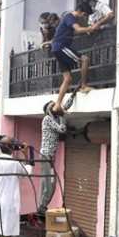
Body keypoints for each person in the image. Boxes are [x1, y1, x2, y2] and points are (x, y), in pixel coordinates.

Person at [37, 87, 77, 216]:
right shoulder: (47, 120)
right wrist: (62, 117)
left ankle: (42, 206)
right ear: (49, 110)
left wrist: (73, 95)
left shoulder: (54, 118)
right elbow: (62, 129)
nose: (57, 106)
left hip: (49, 157)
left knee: (49, 183)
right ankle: (42, 207)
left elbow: (64, 107)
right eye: (53, 106)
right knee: (49, 183)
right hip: (46, 156)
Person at [51, 2, 99, 96]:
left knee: (67, 79)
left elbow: (73, 32)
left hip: (57, 49)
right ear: (80, 11)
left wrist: (86, 30)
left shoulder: (68, 19)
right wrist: (90, 28)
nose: (83, 17)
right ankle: (84, 86)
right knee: (85, 59)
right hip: (61, 47)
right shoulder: (70, 17)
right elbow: (78, 29)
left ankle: (57, 104)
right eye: (84, 15)